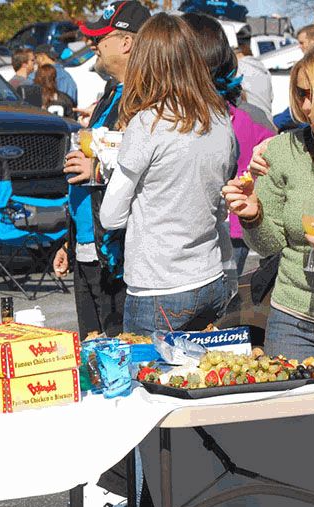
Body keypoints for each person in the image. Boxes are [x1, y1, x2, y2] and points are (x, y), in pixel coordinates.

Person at [99, 12, 235, 335]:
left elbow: (110, 216)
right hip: (210, 276)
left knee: (148, 369)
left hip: (158, 287)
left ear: (145, 62)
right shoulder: (220, 120)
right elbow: (218, 208)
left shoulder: (149, 123)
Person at [223, 38, 314, 361]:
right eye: (301, 94)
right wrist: (253, 215)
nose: (306, 106)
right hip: (289, 320)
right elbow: (269, 247)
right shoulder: (283, 151)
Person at [54, 0, 151, 340]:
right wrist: (69, 242)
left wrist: (96, 170)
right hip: (88, 248)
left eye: (100, 38)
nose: (93, 44)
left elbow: (147, 170)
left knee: (119, 356)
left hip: (117, 257)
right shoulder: (111, 93)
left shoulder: (145, 99)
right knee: (91, 350)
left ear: (126, 43)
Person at [183, 12, 276, 278]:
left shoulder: (242, 117)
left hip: (230, 225)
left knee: (221, 294)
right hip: (219, 224)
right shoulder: (249, 115)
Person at [273, 24, 314, 132]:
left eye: (302, 43)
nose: (299, 46)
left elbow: (303, 103)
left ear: (313, 40)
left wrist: (277, 122)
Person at [235, 24, 274, 123]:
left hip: (252, 126)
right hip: (268, 125)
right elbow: (270, 99)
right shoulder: (262, 68)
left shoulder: (237, 69)